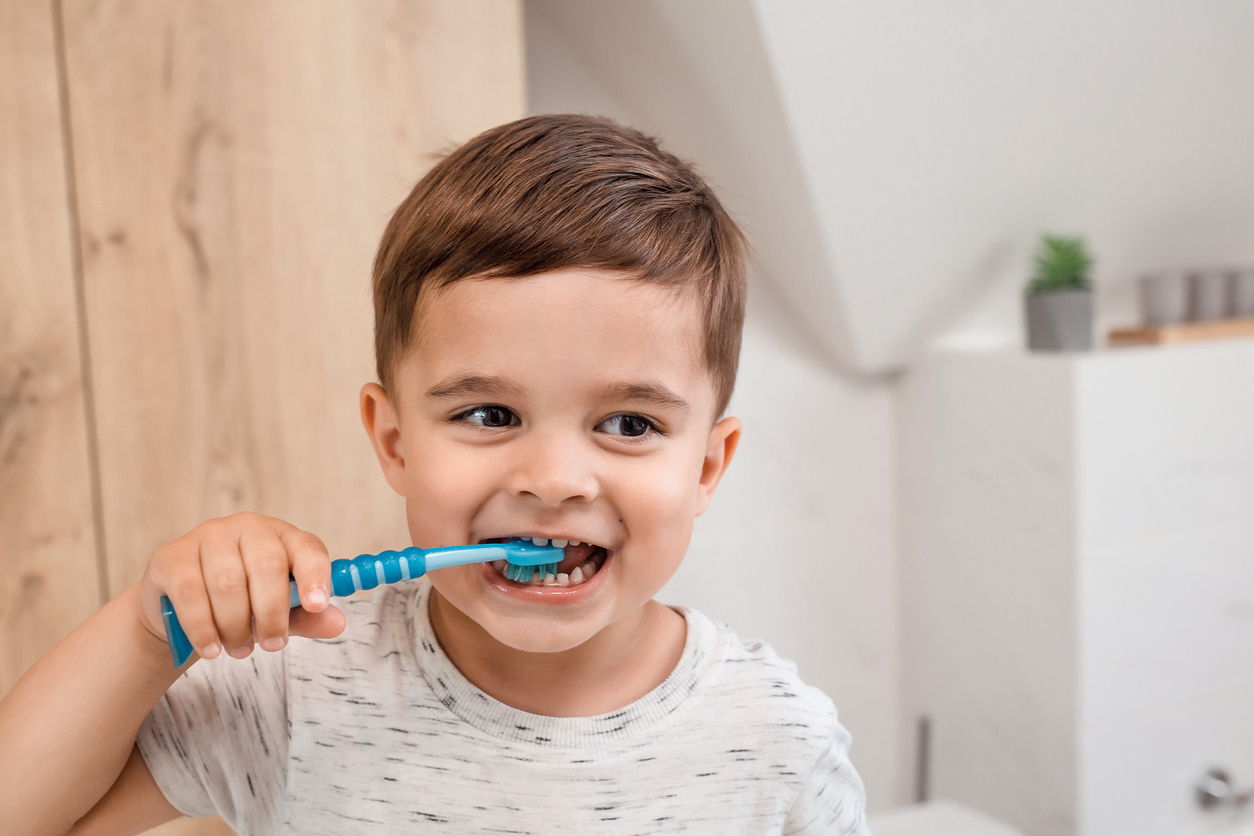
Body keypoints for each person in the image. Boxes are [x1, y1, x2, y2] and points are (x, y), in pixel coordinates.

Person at [1, 115, 869, 835]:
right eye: (489, 416)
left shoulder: (778, 742)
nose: (556, 478)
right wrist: (147, 633)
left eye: (630, 424)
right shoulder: (298, 692)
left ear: (708, 464)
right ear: (394, 441)